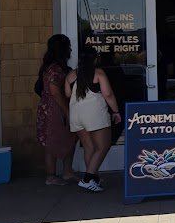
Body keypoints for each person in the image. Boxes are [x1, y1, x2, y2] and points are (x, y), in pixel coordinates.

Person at [66, 45, 120, 193]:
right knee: (103, 146)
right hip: (94, 115)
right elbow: (108, 95)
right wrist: (116, 111)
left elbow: (66, 93)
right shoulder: (99, 73)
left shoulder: (71, 75)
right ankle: (87, 179)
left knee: (89, 147)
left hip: (76, 115)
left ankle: (94, 179)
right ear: (95, 59)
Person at [36, 33, 78, 186]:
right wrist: (67, 111)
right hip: (54, 110)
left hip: (57, 107)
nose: (71, 50)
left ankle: (67, 172)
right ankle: (51, 176)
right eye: (68, 47)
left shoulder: (59, 67)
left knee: (70, 137)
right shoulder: (54, 69)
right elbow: (55, 92)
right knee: (51, 141)